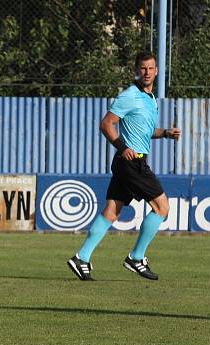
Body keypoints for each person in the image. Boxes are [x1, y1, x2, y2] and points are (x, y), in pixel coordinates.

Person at [67, 51, 181, 282]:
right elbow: (107, 124)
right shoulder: (129, 96)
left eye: (150, 68)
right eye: (142, 68)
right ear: (136, 70)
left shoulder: (149, 99)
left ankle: (82, 257)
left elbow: (146, 132)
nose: (147, 72)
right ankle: (136, 257)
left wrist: (166, 133)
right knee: (162, 207)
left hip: (128, 162)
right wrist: (122, 146)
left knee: (112, 211)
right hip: (131, 162)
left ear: (157, 71)